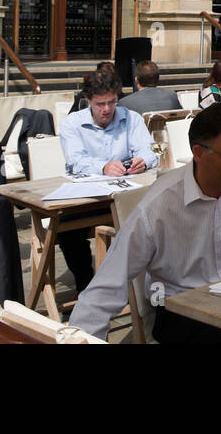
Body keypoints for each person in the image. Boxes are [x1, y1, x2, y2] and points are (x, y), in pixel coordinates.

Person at [70, 103, 221, 342]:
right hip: (185, 311)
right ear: (198, 153)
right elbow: (108, 285)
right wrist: (81, 339)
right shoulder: (159, 204)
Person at [58, 69, 157, 292]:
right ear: (88, 101)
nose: (106, 109)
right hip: (88, 198)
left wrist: (143, 160)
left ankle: (144, 284)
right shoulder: (72, 123)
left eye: (112, 103)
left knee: (158, 212)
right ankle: (86, 285)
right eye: (100, 104)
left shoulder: (131, 117)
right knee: (65, 228)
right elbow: (75, 160)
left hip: (124, 195)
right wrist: (103, 167)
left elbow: (150, 150)